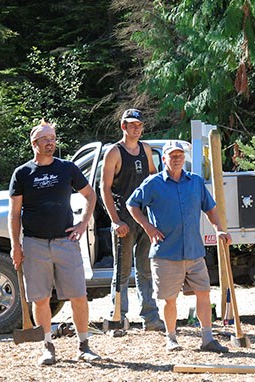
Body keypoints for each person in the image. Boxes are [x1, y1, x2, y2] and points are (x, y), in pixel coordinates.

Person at [9, 119, 101, 366]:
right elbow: (14, 213)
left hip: (65, 242)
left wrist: (83, 223)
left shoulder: (67, 168)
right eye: (45, 139)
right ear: (34, 143)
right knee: (40, 298)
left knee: (78, 295)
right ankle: (47, 346)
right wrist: (15, 246)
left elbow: (90, 195)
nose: (51, 142)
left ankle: (84, 345)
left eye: (53, 138)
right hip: (34, 244)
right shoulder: (22, 173)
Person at [126, 140, 231, 353]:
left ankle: (207, 339)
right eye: (172, 156)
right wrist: (148, 227)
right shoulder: (153, 183)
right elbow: (132, 204)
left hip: (193, 251)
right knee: (169, 299)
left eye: (180, 155)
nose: (176, 159)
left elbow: (210, 209)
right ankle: (171, 338)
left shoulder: (195, 182)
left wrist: (219, 228)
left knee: (203, 292)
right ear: (163, 159)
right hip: (166, 253)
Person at [100, 108, 164, 332]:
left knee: (146, 269)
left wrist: (157, 212)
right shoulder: (114, 152)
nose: (136, 128)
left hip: (144, 219)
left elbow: (154, 179)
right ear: (123, 126)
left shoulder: (146, 149)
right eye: (131, 124)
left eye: (139, 125)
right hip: (124, 220)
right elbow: (104, 188)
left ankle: (151, 318)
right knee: (122, 271)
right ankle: (118, 318)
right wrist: (115, 220)